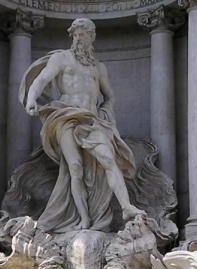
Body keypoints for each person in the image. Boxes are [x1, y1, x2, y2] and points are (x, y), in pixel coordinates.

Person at [20, 18, 144, 233]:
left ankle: (126, 207)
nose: (78, 38)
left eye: (83, 34)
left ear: (91, 37)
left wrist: (107, 114)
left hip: (92, 120)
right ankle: (84, 219)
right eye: (75, 34)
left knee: (108, 158)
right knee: (74, 168)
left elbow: (109, 96)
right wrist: (31, 98)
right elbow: (41, 80)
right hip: (65, 117)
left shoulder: (98, 67)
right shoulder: (62, 58)